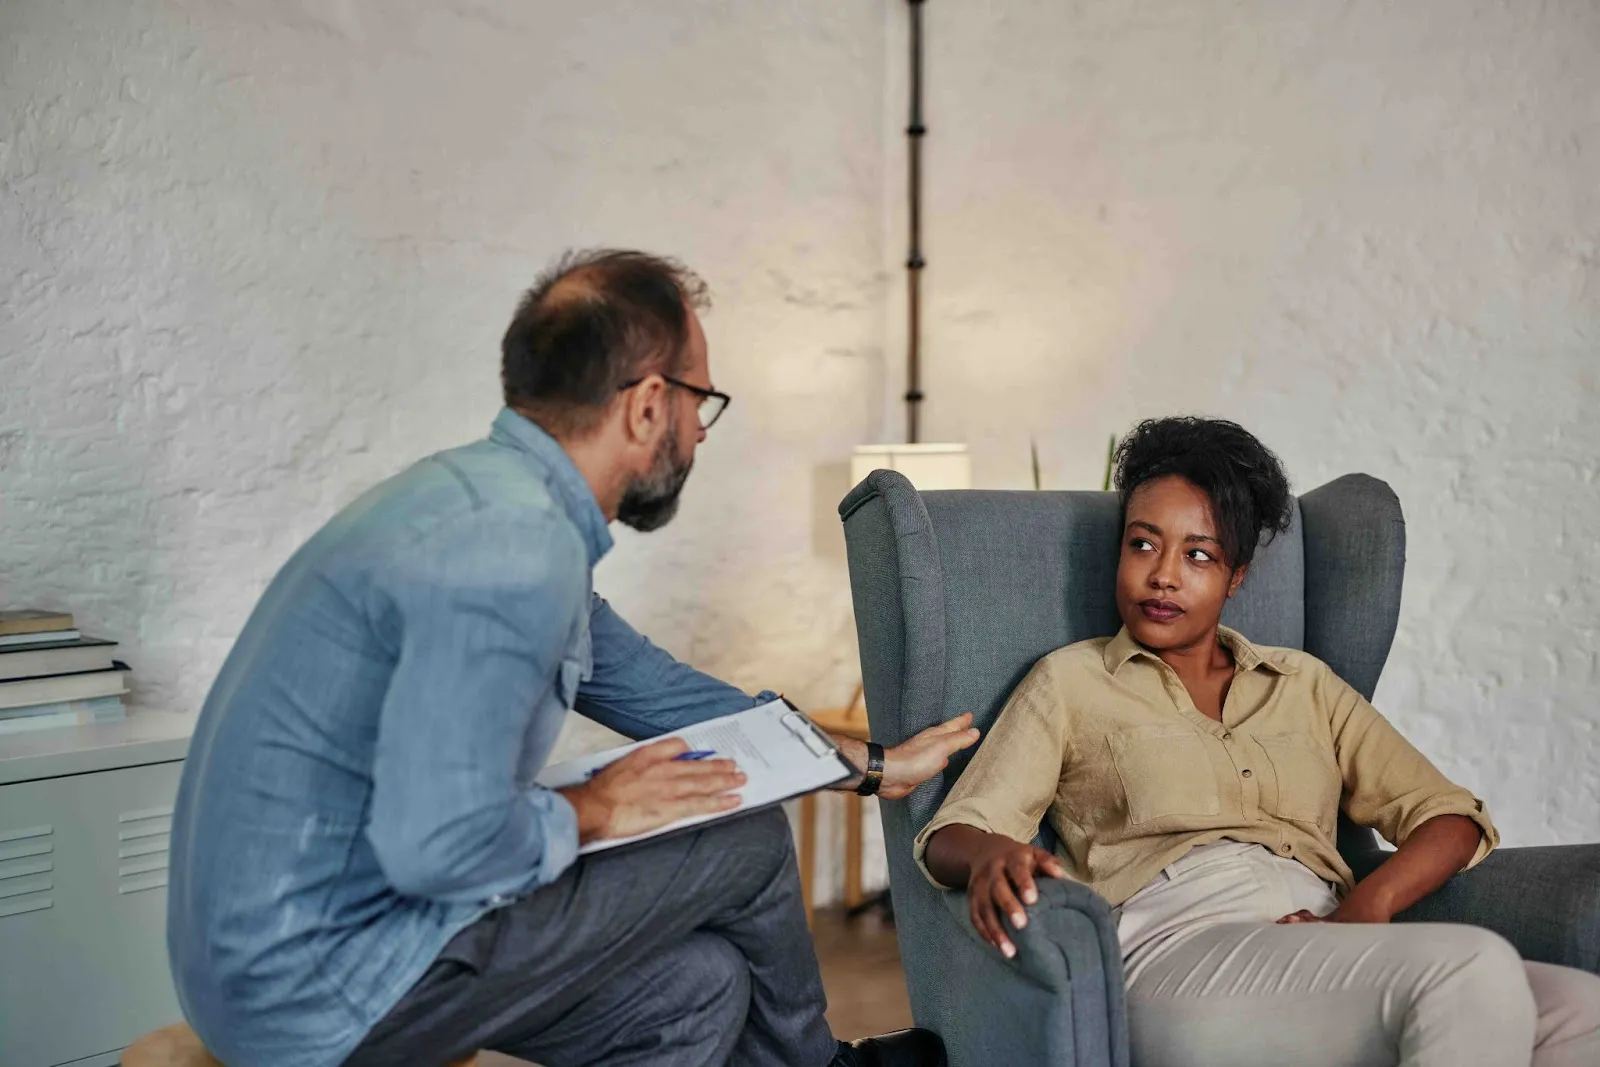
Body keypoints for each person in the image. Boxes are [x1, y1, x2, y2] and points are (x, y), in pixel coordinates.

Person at [167, 250, 977, 1067]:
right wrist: (594, 807)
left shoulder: (486, 504)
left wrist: (875, 764)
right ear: (648, 404)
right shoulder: (515, 551)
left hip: (280, 970)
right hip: (322, 985)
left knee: (699, 989)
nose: (700, 429)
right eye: (702, 401)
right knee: (746, 833)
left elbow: (670, 696)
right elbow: (438, 843)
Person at [918, 416, 1600, 1067]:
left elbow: (1448, 816)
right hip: (1176, 951)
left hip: (1322, 941)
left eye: (1199, 555)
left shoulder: (1304, 685)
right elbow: (955, 830)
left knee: (1583, 1009)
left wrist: (1371, 902)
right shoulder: (1070, 680)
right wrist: (991, 853)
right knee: (1473, 970)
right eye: (1143, 543)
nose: (1163, 574)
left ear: (1235, 577)